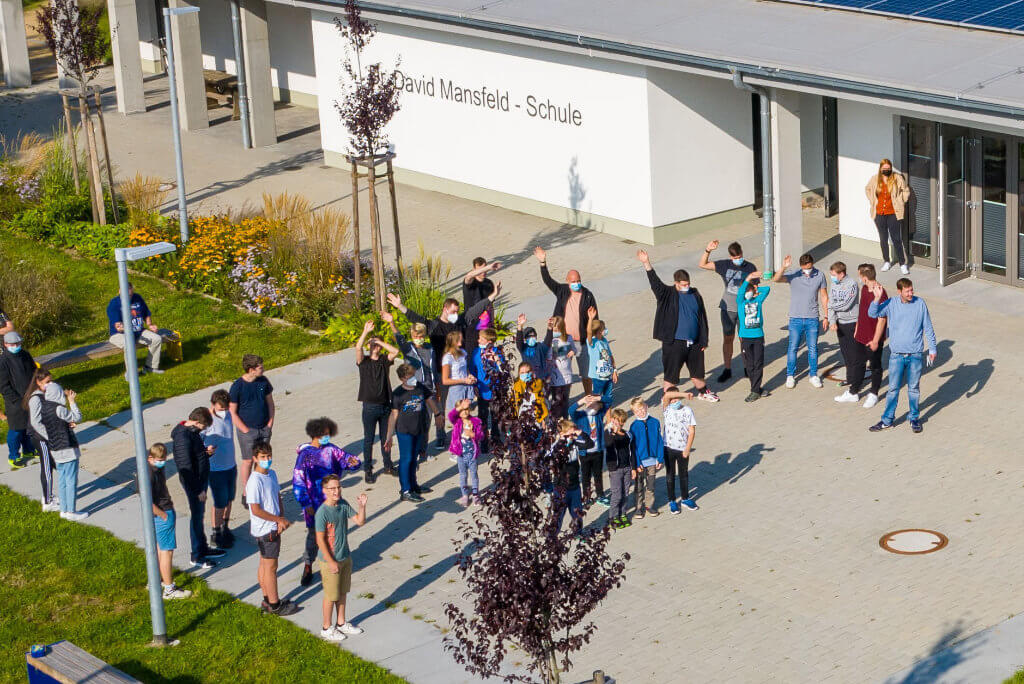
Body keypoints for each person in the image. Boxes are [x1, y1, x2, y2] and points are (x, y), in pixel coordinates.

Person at [386, 285, 500, 410]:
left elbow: (474, 311)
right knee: (440, 407)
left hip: (460, 372)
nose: (455, 314)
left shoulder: (459, 322)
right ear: (445, 309)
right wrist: (400, 306)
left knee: (462, 409)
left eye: (457, 312)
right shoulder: (433, 325)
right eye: (453, 312)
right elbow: (415, 318)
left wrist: (492, 297)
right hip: (441, 373)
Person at [636, 249, 719, 401]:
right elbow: (655, 283)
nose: (687, 286)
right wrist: (646, 263)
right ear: (676, 283)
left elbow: (702, 318)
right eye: (683, 284)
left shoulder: (695, 293)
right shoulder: (667, 294)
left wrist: (704, 340)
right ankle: (667, 398)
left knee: (698, 373)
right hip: (674, 343)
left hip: (695, 343)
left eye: (688, 284)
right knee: (671, 375)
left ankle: (703, 392)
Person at [293, 417, 361, 587]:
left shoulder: (331, 449)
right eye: (324, 434)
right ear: (315, 434)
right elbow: (298, 481)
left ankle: (334, 560)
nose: (327, 437)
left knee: (335, 532)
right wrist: (305, 503)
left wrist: (354, 462)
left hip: (332, 501)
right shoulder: (304, 456)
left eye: (328, 434)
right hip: (314, 504)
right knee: (314, 535)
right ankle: (308, 564)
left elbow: (345, 459)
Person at [868, 278, 937, 434]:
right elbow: (872, 314)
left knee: (913, 389)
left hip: (915, 355)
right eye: (907, 291)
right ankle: (887, 420)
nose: (911, 293)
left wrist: (932, 349)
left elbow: (928, 327)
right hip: (896, 356)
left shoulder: (920, 304)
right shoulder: (891, 303)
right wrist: (877, 298)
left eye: (911, 290)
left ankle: (914, 418)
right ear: (899, 291)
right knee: (893, 389)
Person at [533, 246, 599, 394]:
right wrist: (543, 263)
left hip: (581, 342)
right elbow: (548, 280)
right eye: (573, 281)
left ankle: (588, 396)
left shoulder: (588, 295)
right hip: (562, 340)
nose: (576, 283)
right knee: (560, 370)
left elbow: (595, 318)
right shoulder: (562, 290)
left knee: (586, 373)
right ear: (567, 281)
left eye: (578, 280)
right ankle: (562, 399)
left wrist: (595, 337)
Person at [245, 441, 298, 616]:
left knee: (264, 563)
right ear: (255, 458)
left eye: (269, 456)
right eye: (263, 457)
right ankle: (275, 605)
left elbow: (277, 497)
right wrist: (278, 520)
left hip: (274, 526)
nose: (267, 459)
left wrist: (281, 519)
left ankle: (267, 599)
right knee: (271, 567)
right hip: (265, 529)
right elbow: (255, 509)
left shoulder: (272, 474)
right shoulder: (254, 481)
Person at [26, 372, 86, 520]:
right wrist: (72, 402)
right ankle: (69, 511)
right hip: (65, 447)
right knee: (70, 479)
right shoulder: (56, 407)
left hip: (55, 448)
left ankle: (64, 510)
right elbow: (77, 416)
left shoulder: (45, 407)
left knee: (62, 479)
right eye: (47, 382)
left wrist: (63, 426)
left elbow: (54, 423)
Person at [383, 314, 445, 455]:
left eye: (421, 335)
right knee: (419, 422)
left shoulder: (430, 348)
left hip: (430, 389)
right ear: (412, 336)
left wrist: (438, 388)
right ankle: (418, 450)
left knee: (429, 420)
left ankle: (426, 447)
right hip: (415, 390)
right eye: (416, 336)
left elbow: (434, 369)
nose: (418, 338)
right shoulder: (409, 349)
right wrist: (392, 323)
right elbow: (399, 338)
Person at [315, 475, 367, 642]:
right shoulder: (322, 512)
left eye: (338, 487)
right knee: (331, 595)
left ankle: (341, 623)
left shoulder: (343, 504)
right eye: (332, 488)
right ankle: (326, 628)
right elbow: (320, 540)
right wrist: (331, 561)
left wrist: (362, 507)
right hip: (329, 560)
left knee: (343, 592)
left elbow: (360, 521)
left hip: (345, 556)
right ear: (324, 491)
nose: (336, 491)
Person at [172, 406, 225, 568]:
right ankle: (197, 556)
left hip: (199, 480)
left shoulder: (191, 432)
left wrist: (205, 453)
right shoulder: (182, 437)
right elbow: (185, 467)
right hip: (194, 483)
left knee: (199, 516)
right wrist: (198, 490)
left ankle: (202, 548)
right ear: (195, 422)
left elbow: (193, 455)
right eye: (203, 427)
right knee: (196, 517)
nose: (204, 430)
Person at [698, 240, 758, 382]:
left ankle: (747, 368)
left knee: (744, 339)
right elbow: (702, 264)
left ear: (742, 253)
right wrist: (708, 250)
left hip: (745, 309)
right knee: (728, 338)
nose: (738, 259)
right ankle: (727, 369)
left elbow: (755, 289)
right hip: (728, 309)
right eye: (735, 258)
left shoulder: (750, 267)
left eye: (739, 257)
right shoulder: (724, 265)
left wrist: (754, 300)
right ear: (731, 257)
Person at [773, 254, 829, 389]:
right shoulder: (794, 274)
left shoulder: (820, 275)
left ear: (812, 264)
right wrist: (783, 267)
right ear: (801, 266)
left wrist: (827, 316)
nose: (807, 271)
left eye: (809, 268)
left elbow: (824, 296)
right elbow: (776, 279)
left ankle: (813, 375)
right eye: (805, 268)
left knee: (813, 348)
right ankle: (790, 376)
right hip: (795, 318)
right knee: (793, 348)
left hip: (812, 318)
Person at [355, 321, 399, 484]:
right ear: (369, 346)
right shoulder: (364, 362)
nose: (375, 347)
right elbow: (358, 348)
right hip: (369, 407)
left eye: (377, 345)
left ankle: (388, 465)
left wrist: (379, 341)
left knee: (386, 438)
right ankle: (368, 469)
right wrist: (366, 333)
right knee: (368, 439)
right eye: (372, 345)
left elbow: (395, 351)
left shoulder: (384, 360)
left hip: (385, 405)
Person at [148, 443, 193, 600]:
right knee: (166, 552)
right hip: (162, 514)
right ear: (150, 458)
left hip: (160, 514)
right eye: (159, 460)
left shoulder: (152, 470)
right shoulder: (151, 475)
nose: (162, 462)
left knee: (160, 549)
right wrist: (163, 515)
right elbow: (148, 501)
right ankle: (169, 589)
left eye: (164, 459)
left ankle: (156, 581)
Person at [229, 354, 275, 501]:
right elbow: (232, 412)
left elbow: (270, 403)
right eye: (260, 367)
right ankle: (247, 491)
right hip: (247, 431)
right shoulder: (237, 387)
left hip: (264, 429)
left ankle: (261, 486)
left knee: (262, 459)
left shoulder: (263, 381)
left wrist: (269, 424)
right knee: (248, 460)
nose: (263, 369)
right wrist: (245, 430)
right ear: (251, 369)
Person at [386, 363, 432, 503]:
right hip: (404, 431)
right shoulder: (398, 393)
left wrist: (438, 414)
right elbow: (393, 415)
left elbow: (429, 399)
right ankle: (405, 490)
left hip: (418, 429)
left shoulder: (420, 387)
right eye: (409, 376)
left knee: (414, 458)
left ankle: (413, 485)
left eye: (413, 375)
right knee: (406, 459)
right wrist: (389, 436)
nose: (413, 378)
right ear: (402, 379)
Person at [849, 264, 888, 408]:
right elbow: (862, 310)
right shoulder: (864, 288)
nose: (859, 278)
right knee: (858, 363)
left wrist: (876, 340)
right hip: (861, 334)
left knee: (875, 366)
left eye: (859, 275)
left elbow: (882, 320)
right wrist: (857, 327)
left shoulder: (881, 294)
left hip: (873, 338)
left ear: (864, 277)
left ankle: (873, 394)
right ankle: (853, 392)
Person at [203, 389, 236, 550]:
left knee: (229, 499)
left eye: (225, 408)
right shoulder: (206, 420)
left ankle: (225, 527)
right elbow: (197, 440)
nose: (223, 412)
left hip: (231, 466)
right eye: (220, 408)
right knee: (219, 502)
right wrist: (206, 450)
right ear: (213, 405)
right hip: (216, 469)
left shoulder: (229, 414)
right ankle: (216, 533)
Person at [106, 283, 164, 375]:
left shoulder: (137, 298)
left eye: (130, 294)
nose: (128, 297)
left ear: (132, 291)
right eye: (126, 294)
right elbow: (117, 326)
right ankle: (132, 373)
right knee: (129, 343)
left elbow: (146, 313)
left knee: (156, 339)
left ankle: (150, 367)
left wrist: (150, 325)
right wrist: (123, 328)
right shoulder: (114, 303)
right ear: (120, 291)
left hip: (138, 332)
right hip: (119, 334)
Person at [865, 158, 911, 275]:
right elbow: (868, 189)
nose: (886, 170)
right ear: (880, 168)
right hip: (879, 214)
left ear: (891, 168)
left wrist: (901, 201)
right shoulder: (875, 179)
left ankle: (902, 264)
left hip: (893, 213)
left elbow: (905, 190)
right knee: (883, 239)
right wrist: (872, 201)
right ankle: (886, 261)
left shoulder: (897, 178)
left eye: (888, 168)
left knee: (896, 239)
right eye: (884, 168)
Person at [0, 331, 38, 469]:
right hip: (15, 402)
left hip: (30, 396)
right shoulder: (3, 361)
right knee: (16, 430)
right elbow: (3, 386)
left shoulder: (25, 354)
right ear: (5, 344)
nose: (16, 346)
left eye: (18, 343)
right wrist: (16, 399)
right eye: (12, 344)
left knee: (29, 426)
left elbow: (34, 371)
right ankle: (14, 456)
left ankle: (28, 450)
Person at [22, 369, 57, 512]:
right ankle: (47, 502)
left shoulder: (44, 394)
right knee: (47, 468)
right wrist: (50, 436)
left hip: (44, 436)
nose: (50, 384)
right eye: (48, 381)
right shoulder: (35, 398)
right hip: (40, 438)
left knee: (50, 465)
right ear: (38, 382)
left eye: (51, 380)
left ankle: (48, 496)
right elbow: (36, 423)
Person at [827, 262, 862, 403]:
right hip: (840, 323)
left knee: (854, 355)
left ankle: (855, 387)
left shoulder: (852, 284)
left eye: (833, 275)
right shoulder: (834, 284)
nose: (832, 277)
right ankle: (851, 379)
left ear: (841, 274)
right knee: (845, 353)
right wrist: (832, 321)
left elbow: (846, 304)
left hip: (852, 323)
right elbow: (830, 303)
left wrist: (831, 305)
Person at [661, 387, 697, 514]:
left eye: (676, 398)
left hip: (682, 449)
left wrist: (687, 448)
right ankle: (672, 501)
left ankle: (685, 498)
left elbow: (691, 431)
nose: (674, 401)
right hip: (668, 448)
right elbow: (667, 395)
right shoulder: (666, 409)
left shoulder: (687, 410)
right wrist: (684, 394)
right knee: (670, 475)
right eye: (672, 399)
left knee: (683, 475)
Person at [735, 273, 770, 402]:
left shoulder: (758, 301)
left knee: (758, 363)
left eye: (749, 291)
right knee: (749, 365)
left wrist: (755, 288)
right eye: (746, 291)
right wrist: (748, 280)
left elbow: (767, 289)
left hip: (758, 337)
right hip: (746, 338)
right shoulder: (740, 302)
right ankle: (757, 388)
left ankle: (754, 391)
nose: (747, 293)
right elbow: (740, 292)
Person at [553, 419, 591, 533]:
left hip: (575, 486)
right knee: (558, 515)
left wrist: (580, 433)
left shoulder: (575, 443)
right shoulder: (556, 447)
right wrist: (561, 442)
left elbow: (590, 444)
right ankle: (553, 536)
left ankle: (578, 532)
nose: (571, 436)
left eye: (572, 434)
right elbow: (549, 458)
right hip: (561, 488)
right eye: (568, 434)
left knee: (577, 512)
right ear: (561, 434)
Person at [628, 397, 662, 518]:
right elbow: (633, 447)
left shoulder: (655, 422)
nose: (641, 412)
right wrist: (637, 463)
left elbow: (659, 441)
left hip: (653, 461)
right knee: (639, 485)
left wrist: (660, 458)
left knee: (651, 485)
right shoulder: (634, 426)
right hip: (640, 463)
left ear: (646, 406)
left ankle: (649, 505)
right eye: (637, 411)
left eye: (642, 409)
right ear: (634, 412)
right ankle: (638, 507)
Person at [569, 394, 606, 506]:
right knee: (586, 476)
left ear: (599, 407)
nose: (591, 405)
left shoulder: (599, 415)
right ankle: (587, 497)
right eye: (589, 402)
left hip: (597, 451)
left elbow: (608, 401)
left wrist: (598, 398)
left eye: (594, 404)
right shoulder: (580, 416)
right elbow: (570, 411)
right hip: (584, 453)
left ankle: (600, 495)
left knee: (598, 474)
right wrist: (581, 401)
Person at [448, 398, 483, 506]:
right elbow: (450, 415)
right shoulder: (457, 422)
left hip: (472, 455)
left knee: (474, 475)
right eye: (462, 410)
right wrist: (460, 407)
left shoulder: (476, 421)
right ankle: (464, 495)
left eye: (466, 409)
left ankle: (476, 495)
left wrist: (473, 435)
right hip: (461, 455)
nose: (464, 412)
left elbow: (481, 435)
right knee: (463, 475)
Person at [462, 257, 501, 353]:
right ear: (474, 269)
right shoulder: (470, 282)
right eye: (480, 269)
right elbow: (469, 276)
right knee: (473, 350)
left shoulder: (488, 283)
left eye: (484, 269)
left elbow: (490, 305)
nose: (483, 272)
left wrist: (492, 323)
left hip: (485, 323)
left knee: (487, 350)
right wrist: (488, 267)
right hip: (472, 322)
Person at [604, 408, 634, 529]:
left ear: (623, 422)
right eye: (615, 420)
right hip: (615, 469)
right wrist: (613, 431)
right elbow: (608, 444)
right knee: (617, 495)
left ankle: (623, 514)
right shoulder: (609, 434)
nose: (618, 423)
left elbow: (632, 452)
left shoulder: (627, 435)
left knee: (625, 493)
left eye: (620, 421)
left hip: (627, 467)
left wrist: (633, 468)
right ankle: (613, 517)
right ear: (612, 420)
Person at [547, 316, 578, 419]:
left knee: (565, 399)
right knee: (556, 400)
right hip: (555, 375)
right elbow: (547, 355)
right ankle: (555, 419)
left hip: (567, 375)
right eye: (554, 330)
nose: (555, 332)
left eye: (557, 330)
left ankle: (565, 419)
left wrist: (573, 351)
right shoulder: (551, 340)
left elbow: (575, 349)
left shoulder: (568, 338)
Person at [441, 330, 476, 415]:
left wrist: (470, 375)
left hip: (467, 387)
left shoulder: (463, 352)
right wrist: (463, 380)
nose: (462, 339)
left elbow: (465, 368)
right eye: (460, 338)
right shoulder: (447, 358)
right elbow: (445, 381)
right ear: (454, 341)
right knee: (458, 416)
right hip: (456, 389)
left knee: (467, 414)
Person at [586, 318, 618, 407]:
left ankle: (608, 414)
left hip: (608, 375)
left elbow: (611, 356)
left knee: (608, 398)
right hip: (598, 377)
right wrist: (590, 318)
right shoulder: (592, 342)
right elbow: (589, 333)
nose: (606, 330)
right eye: (604, 328)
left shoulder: (604, 340)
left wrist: (614, 371)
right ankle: (595, 413)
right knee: (596, 398)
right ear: (599, 331)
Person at [515, 315, 550, 381]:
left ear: (536, 337)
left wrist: (550, 329)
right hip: (528, 378)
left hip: (541, 379)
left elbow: (548, 340)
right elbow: (519, 340)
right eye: (528, 336)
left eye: (533, 336)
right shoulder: (523, 348)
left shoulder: (540, 346)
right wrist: (520, 326)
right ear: (525, 339)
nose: (531, 338)